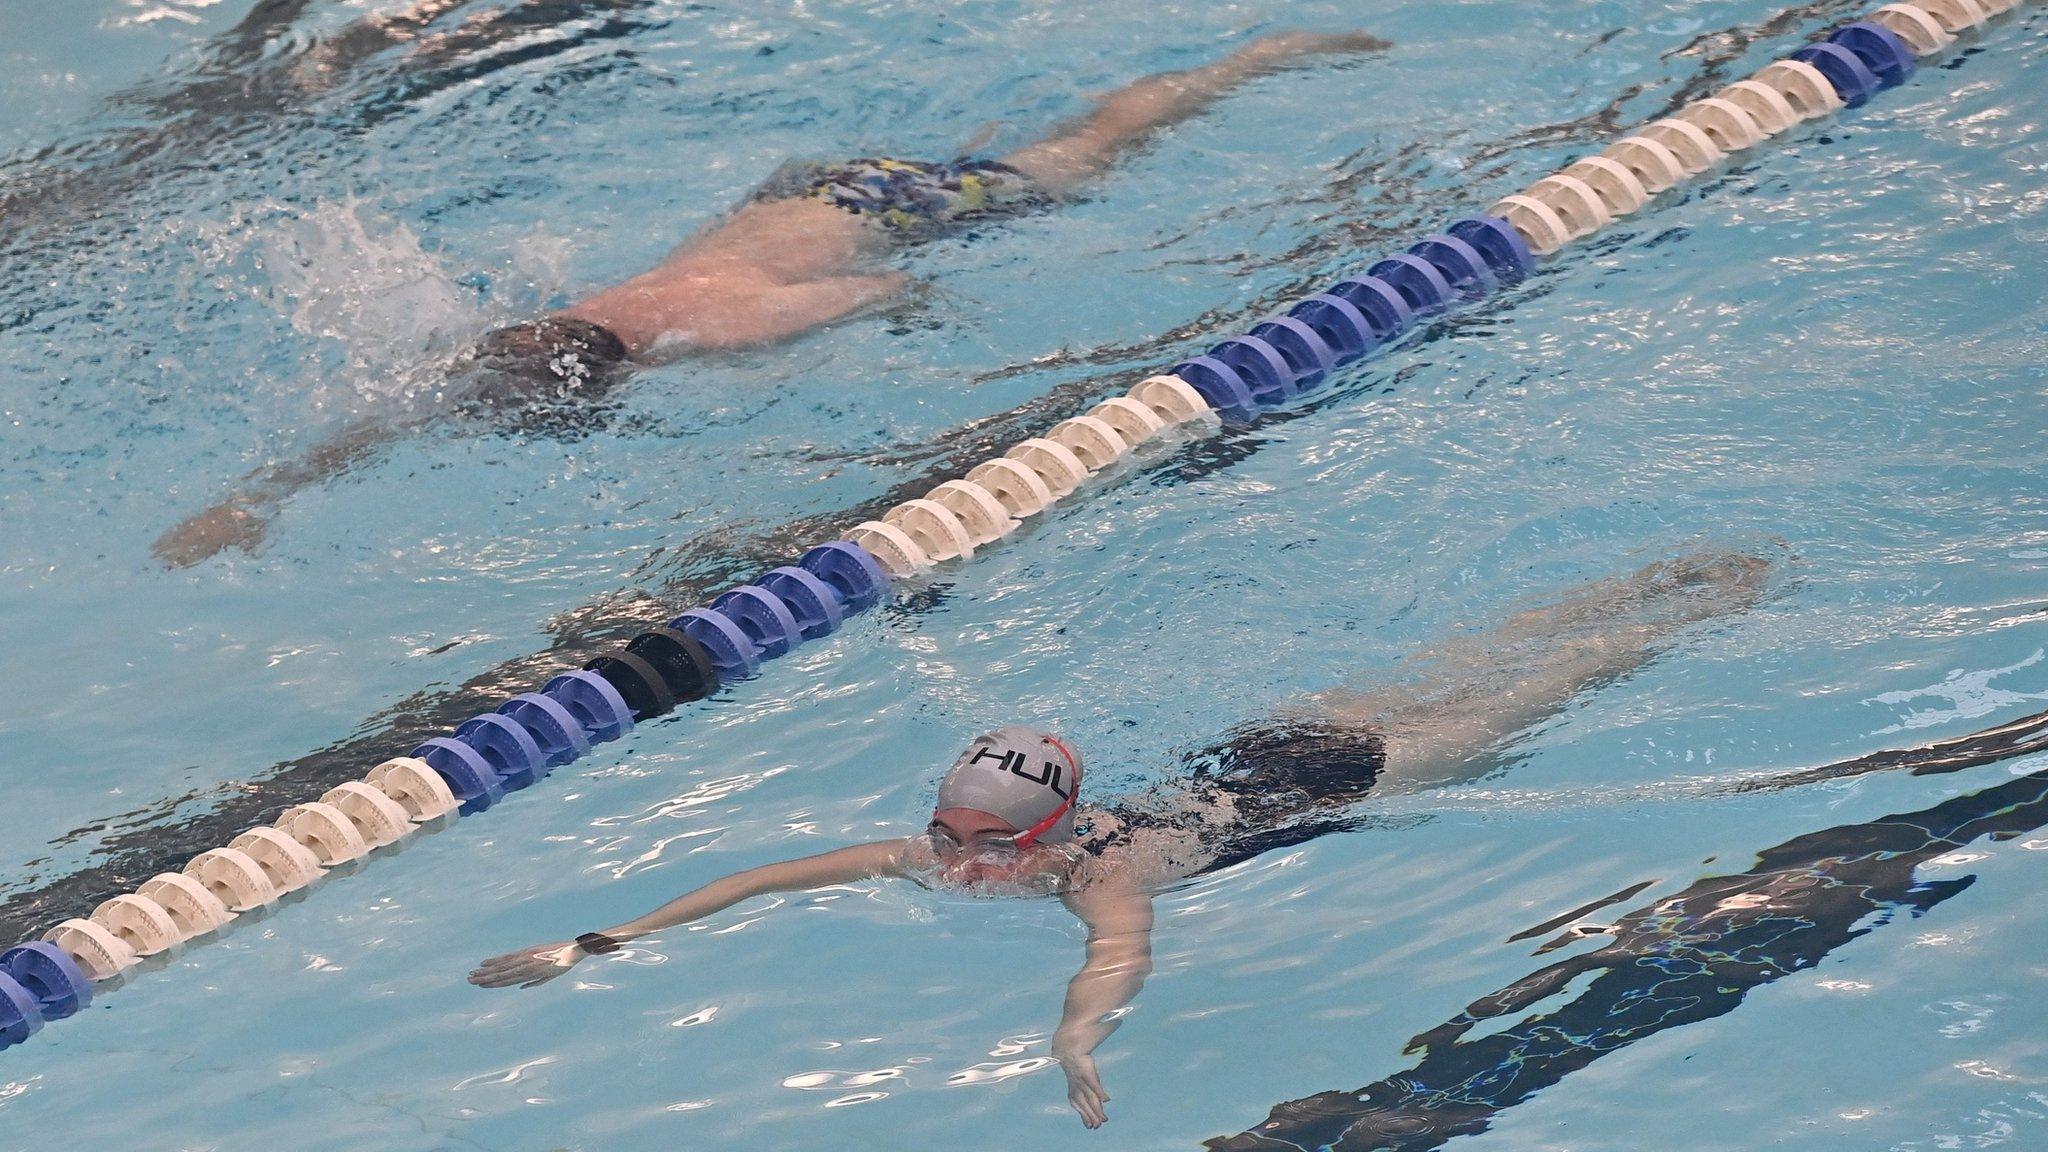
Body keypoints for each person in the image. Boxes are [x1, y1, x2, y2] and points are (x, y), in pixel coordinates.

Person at [469, 548, 1775, 1128]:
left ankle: (1692, 604)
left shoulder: (1105, 869)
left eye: (979, 847)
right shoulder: (981, 845)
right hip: (1278, 738)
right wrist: (602, 939)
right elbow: (767, 876)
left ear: (1042, 836)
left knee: (1537, 686)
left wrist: (1075, 1041)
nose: (957, 864)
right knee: (1478, 660)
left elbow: (1119, 958)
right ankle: (1664, 576)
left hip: (1360, 770)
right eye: (945, 836)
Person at [151, 29, 1393, 567]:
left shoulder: (714, 325)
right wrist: (253, 499)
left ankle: (1238, 66)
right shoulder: (571, 325)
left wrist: (913, 344)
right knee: (1013, 146)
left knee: (1087, 152)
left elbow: (892, 290)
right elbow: (410, 405)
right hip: (800, 194)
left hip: (890, 209)